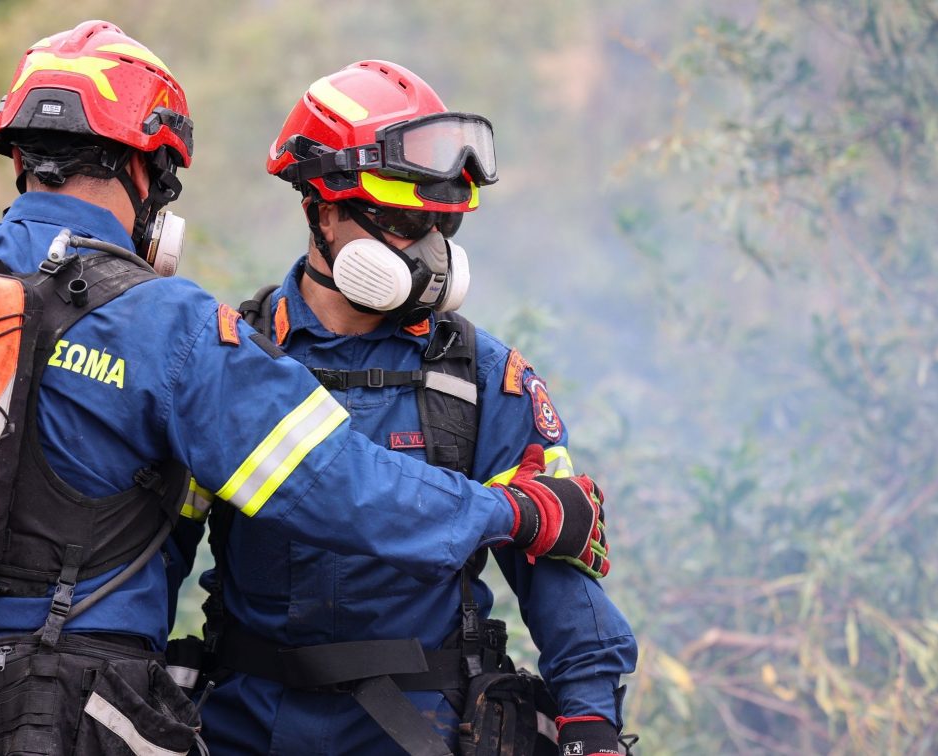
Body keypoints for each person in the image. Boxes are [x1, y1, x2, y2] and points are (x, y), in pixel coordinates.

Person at [0, 26, 608, 755]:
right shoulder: (174, 331)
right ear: (146, 166)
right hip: (60, 718)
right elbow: (337, 485)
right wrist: (517, 511)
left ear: (21, 157)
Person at [191, 60, 637, 756]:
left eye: (441, 222)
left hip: (422, 732)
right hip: (245, 729)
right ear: (323, 207)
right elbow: (145, 556)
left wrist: (592, 724)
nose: (429, 249)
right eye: (404, 219)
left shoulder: (486, 380)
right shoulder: (229, 362)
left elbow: (559, 577)